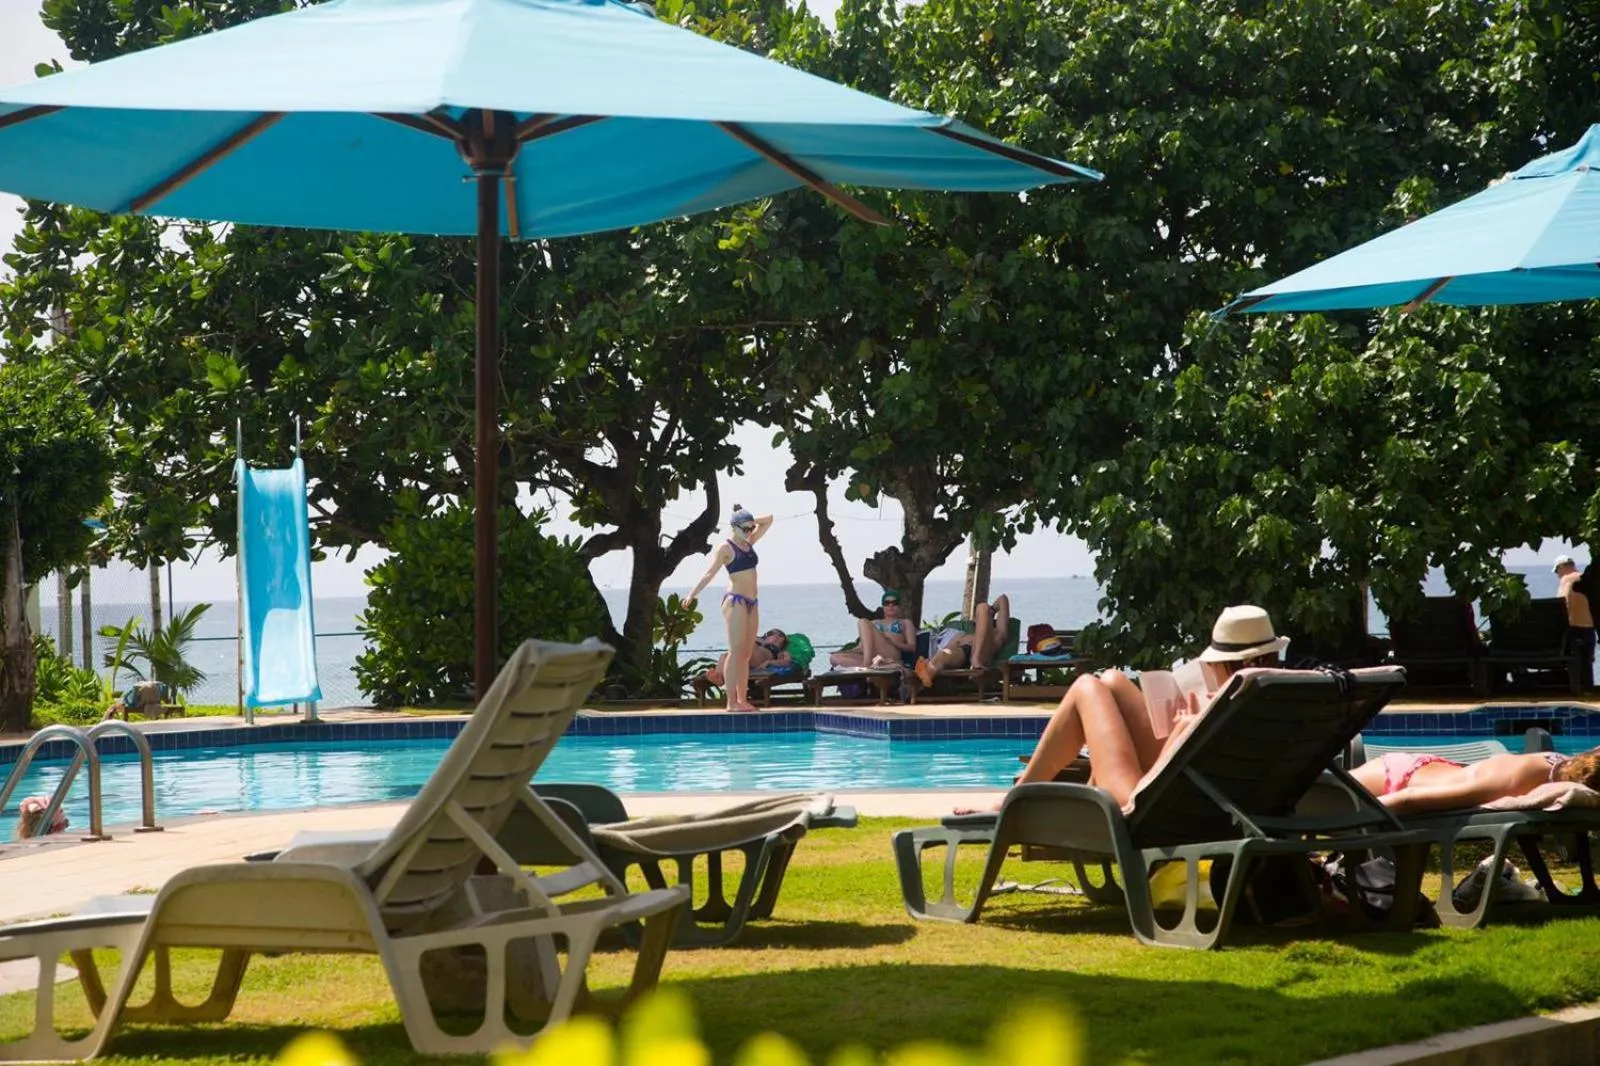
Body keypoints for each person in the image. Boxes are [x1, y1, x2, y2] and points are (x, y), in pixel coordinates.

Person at [957, 605, 1289, 814]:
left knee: (1088, 686)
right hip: (1219, 799)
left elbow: (1163, 780)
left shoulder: (1225, 704)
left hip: (1152, 806)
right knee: (1113, 680)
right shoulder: (1274, 699)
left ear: (1226, 663)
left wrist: (1179, 729)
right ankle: (1074, 788)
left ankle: (1015, 799)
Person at [686, 505, 774, 711]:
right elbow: (709, 573)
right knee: (734, 652)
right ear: (733, 528)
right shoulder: (726, 548)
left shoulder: (748, 542)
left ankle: (742, 699)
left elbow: (769, 519)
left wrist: (749, 520)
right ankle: (731, 702)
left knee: (745, 654)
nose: (749, 532)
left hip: (753, 602)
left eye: (751, 529)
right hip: (735, 601)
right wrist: (692, 593)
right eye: (744, 529)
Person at [1350, 747, 1600, 815]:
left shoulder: (1559, 762)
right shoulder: (1512, 782)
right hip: (1395, 779)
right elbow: (1410, 799)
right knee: (1318, 793)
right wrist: (1345, 819)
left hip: (1428, 770)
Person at [913, 594, 1011, 689]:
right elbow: (949, 647)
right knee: (941, 657)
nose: (980, 618)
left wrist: (991, 611)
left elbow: (1003, 599)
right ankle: (919, 687)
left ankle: (975, 660)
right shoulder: (966, 635)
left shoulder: (998, 633)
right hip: (962, 653)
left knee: (982, 607)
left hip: (981, 656)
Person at [827, 589, 917, 670]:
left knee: (862, 621)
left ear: (900, 606)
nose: (891, 605)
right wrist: (845, 651)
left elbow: (912, 647)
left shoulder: (905, 622)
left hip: (891, 653)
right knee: (834, 658)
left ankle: (866, 664)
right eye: (887, 603)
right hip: (873, 655)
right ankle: (875, 664)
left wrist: (894, 642)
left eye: (894, 602)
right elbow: (861, 646)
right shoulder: (874, 623)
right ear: (883, 606)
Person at [1554, 554, 1595, 690]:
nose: (1557, 575)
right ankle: (1588, 689)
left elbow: (1563, 605)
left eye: (1556, 571)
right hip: (1589, 629)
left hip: (1572, 631)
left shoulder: (1566, 580)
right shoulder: (1586, 579)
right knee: (1587, 661)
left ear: (1561, 568)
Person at [704, 628, 792, 687]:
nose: (768, 636)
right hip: (744, 655)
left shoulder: (780, 651)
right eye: (769, 634)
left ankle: (721, 678)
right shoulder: (760, 641)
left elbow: (787, 662)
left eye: (780, 635)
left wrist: (769, 662)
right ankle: (719, 678)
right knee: (724, 656)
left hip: (757, 657)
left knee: (742, 652)